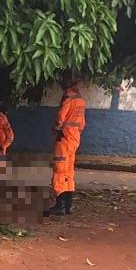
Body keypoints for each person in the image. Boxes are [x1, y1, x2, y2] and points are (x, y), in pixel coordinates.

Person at [47, 76, 86, 216]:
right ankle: (68, 205)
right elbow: (82, 124)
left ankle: (60, 205)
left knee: (59, 171)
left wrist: (56, 128)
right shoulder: (81, 100)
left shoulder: (68, 96)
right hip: (74, 139)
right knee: (69, 171)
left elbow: (60, 117)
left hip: (63, 138)